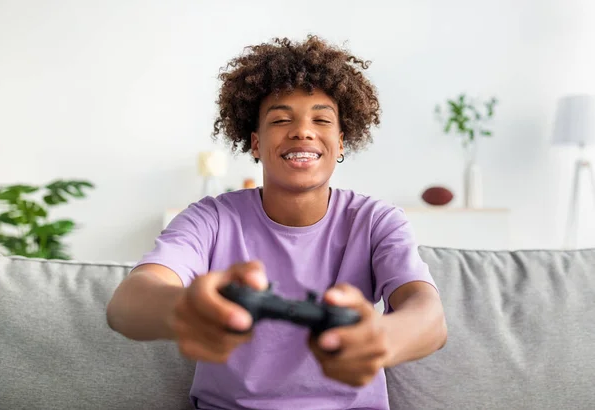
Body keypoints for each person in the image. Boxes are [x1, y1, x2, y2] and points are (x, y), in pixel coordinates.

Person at [106, 35, 447, 410]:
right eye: (282, 119)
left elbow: (428, 315)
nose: (302, 131)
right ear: (255, 143)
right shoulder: (212, 219)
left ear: (342, 141)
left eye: (321, 119)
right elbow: (127, 303)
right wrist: (183, 309)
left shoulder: (376, 221)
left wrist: (384, 335)